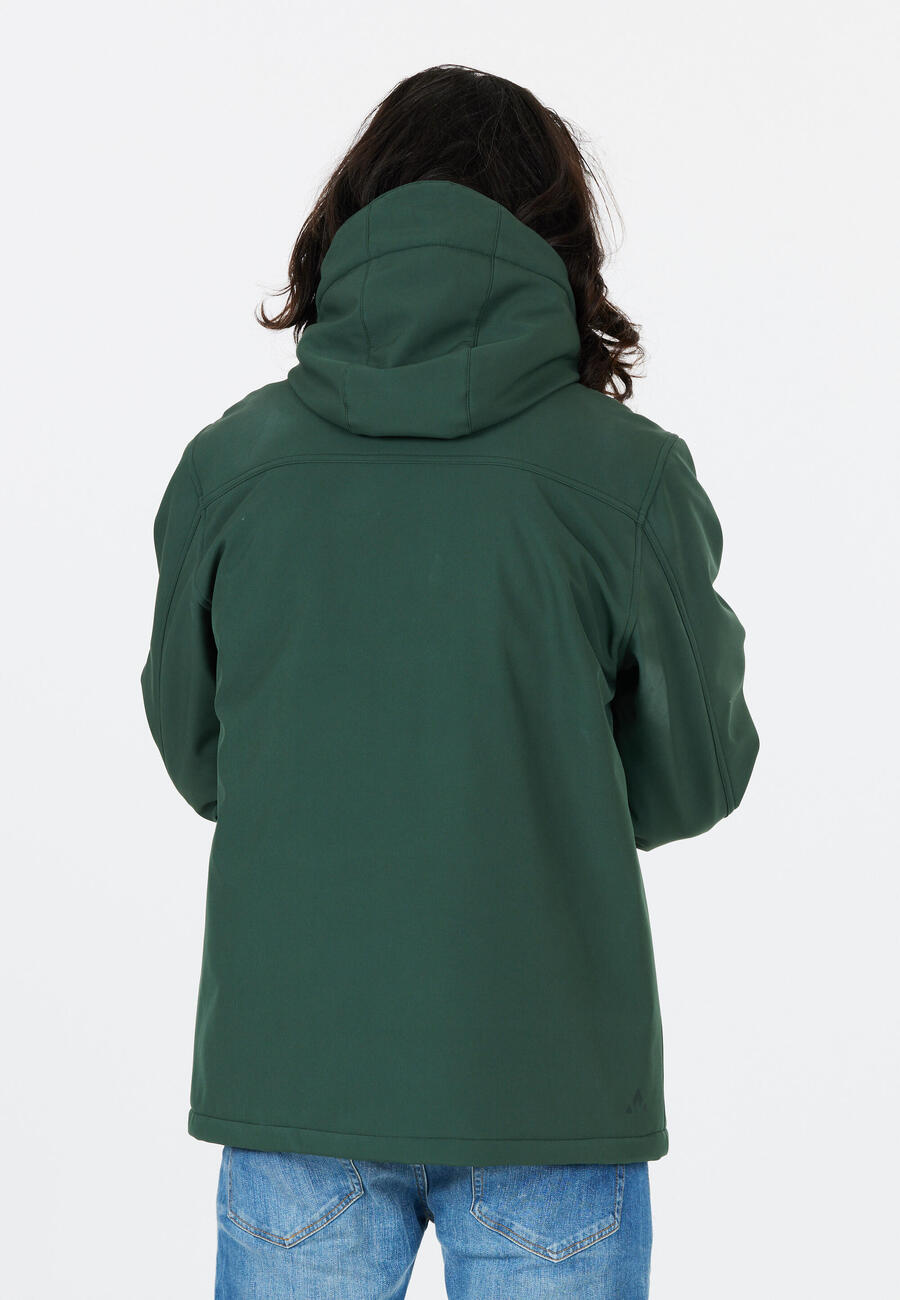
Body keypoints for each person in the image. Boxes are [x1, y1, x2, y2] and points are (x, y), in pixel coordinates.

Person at [141, 64, 759, 1300]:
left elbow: (204, 755)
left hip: (297, 1072)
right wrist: (551, 784)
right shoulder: (626, 478)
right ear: (560, 244)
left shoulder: (234, 467)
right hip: (550, 1086)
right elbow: (693, 776)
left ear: (348, 219)